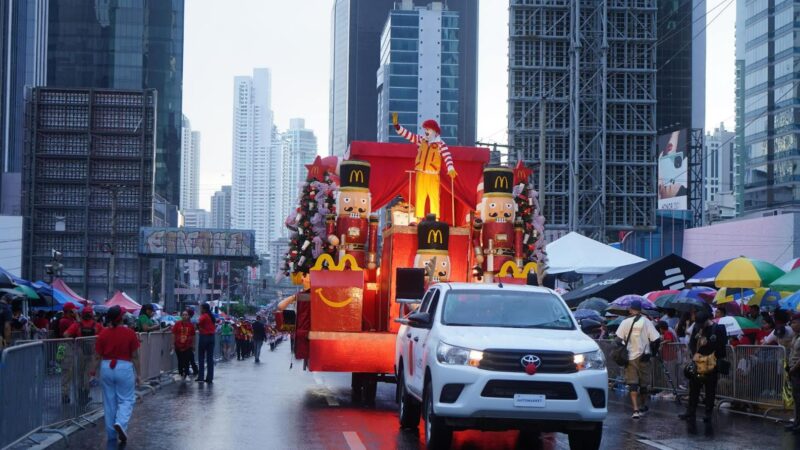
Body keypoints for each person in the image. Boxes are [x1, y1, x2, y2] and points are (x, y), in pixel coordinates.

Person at [90, 306, 141, 443]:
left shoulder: (103, 334)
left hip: (106, 367)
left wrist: (92, 372)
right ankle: (121, 422)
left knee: (109, 402)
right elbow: (135, 356)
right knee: (126, 399)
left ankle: (112, 435)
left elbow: (97, 356)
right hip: (124, 367)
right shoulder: (130, 333)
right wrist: (139, 374)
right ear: (121, 317)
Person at [615, 300, 661, 420]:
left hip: (630, 357)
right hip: (644, 356)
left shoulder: (625, 322)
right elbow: (656, 339)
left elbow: (617, 340)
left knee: (633, 384)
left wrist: (624, 347)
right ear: (640, 310)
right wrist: (653, 352)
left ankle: (635, 410)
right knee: (643, 384)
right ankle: (642, 405)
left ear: (631, 309)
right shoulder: (647, 322)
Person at [679, 309, 728, 422]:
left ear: (707, 320)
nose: (700, 326)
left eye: (702, 324)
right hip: (698, 362)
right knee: (693, 388)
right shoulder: (697, 328)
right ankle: (690, 412)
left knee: (710, 389)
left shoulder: (718, 328)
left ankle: (708, 413)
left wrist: (709, 344)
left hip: (711, 363)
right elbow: (691, 343)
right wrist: (695, 352)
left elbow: (722, 347)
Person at [64, 305, 104, 405]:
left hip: (79, 352)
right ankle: (85, 396)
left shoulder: (77, 325)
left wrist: (73, 344)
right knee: (87, 375)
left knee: (79, 375)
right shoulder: (97, 325)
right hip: (92, 353)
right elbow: (105, 336)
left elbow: (65, 334)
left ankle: (80, 395)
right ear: (91, 314)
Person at [785, 314, 800, 433]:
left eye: (794, 322)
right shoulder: (796, 336)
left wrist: (793, 368)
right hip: (793, 370)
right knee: (796, 397)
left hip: (797, 370)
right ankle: (796, 422)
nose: (792, 325)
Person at [172, 309, 196, 380]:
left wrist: (193, 345)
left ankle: (187, 374)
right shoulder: (177, 324)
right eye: (183, 315)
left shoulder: (191, 325)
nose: (184, 316)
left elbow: (193, 335)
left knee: (187, 360)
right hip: (178, 345)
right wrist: (172, 344)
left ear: (188, 316)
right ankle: (180, 373)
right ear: (181, 316)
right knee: (180, 360)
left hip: (188, 345)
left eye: (186, 315)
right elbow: (173, 334)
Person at [196, 303, 215, 383]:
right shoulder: (211, 316)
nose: (200, 310)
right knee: (210, 358)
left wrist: (198, 328)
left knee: (201, 357)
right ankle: (209, 378)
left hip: (204, 337)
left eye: (201, 308)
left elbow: (197, 323)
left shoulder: (204, 316)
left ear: (204, 309)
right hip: (212, 337)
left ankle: (201, 377)